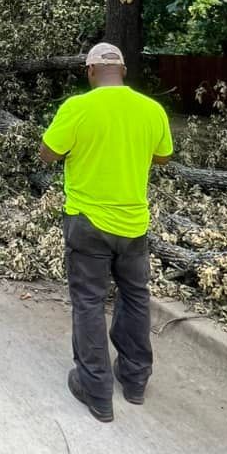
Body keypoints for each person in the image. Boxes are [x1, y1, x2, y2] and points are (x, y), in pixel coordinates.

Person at [39, 42, 173, 422]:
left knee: (89, 302)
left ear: (90, 71)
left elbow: (48, 152)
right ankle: (134, 381)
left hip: (87, 223)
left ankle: (95, 390)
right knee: (135, 298)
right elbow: (163, 156)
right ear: (124, 71)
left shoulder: (78, 108)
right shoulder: (152, 110)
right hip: (134, 224)